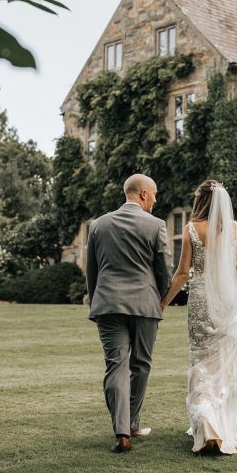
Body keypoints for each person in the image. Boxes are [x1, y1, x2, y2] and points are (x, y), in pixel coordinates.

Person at [161, 179, 237, 455]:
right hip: (227, 302)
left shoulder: (192, 229)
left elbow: (182, 273)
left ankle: (207, 427)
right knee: (222, 364)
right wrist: (226, 270)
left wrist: (164, 302)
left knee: (201, 361)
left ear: (200, 201)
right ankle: (220, 427)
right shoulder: (236, 229)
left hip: (202, 299)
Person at [86, 173, 172, 453]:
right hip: (146, 304)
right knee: (141, 364)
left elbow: (91, 272)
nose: (155, 200)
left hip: (107, 304)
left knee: (116, 366)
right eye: (154, 194)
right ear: (144, 194)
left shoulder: (98, 225)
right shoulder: (156, 225)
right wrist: (161, 299)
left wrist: (96, 303)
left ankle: (122, 431)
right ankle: (132, 423)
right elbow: (164, 269)